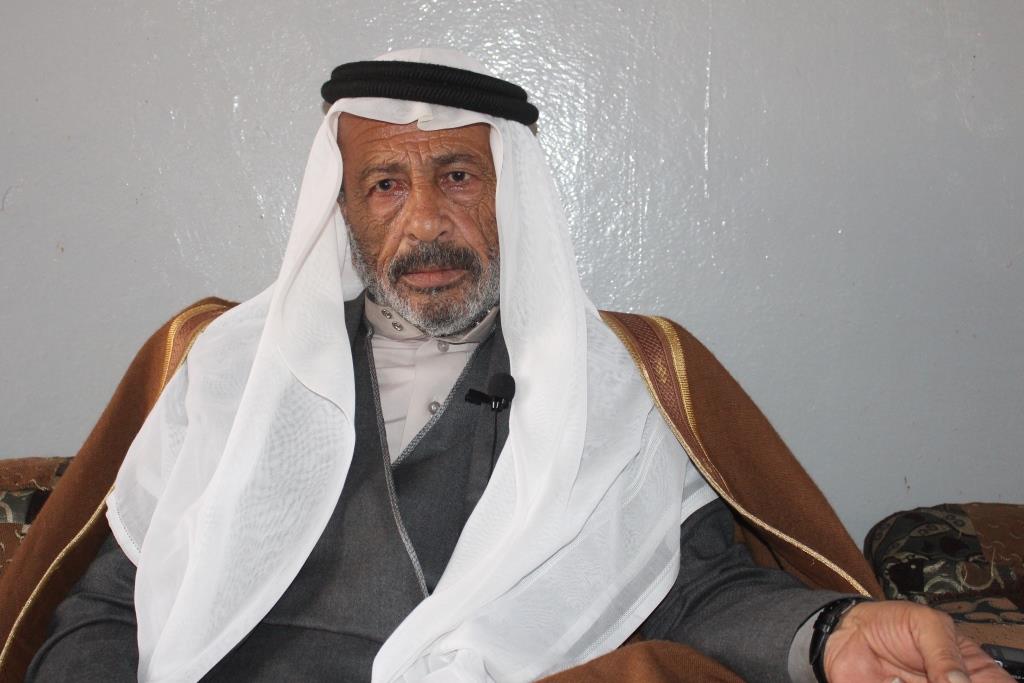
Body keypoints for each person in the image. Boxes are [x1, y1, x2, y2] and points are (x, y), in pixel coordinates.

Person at [24, 48, 1011, 683]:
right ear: (343, 209)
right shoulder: (228, 368)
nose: (425, 220)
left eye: (458, 176)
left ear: (514, 196)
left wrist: (833, 634)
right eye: (385, 185)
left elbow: (693, 591)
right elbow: (111, 603)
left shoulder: (616, 379)